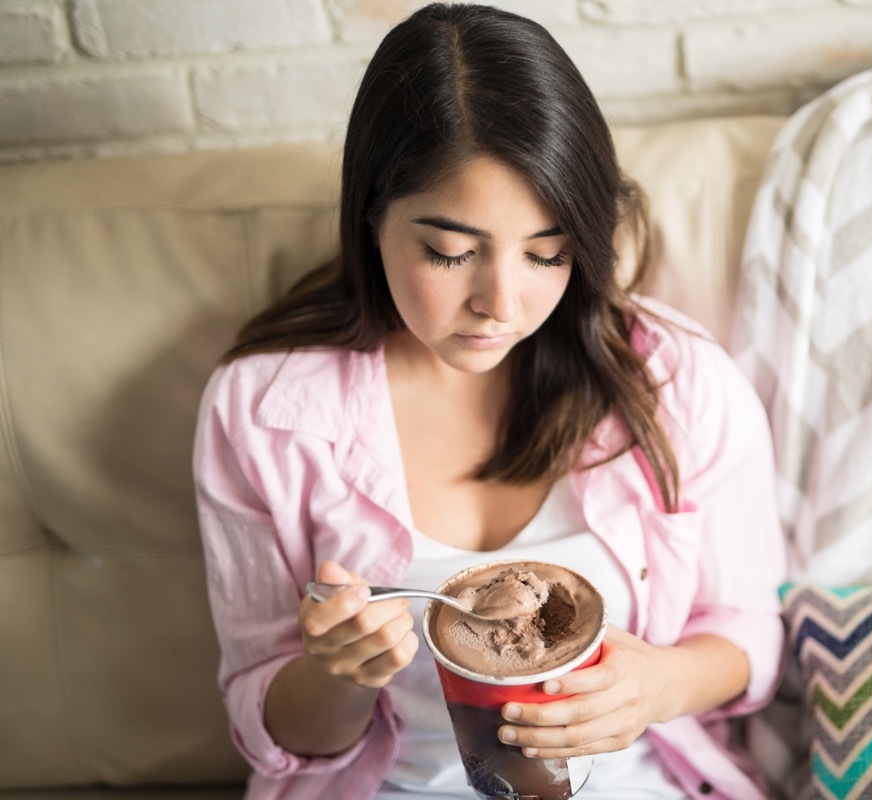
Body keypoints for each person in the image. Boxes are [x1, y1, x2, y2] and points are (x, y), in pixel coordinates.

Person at [192, 3, 786, 798]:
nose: (501, 302)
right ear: (371, 216)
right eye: (451, 252)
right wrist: (337, 675)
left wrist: (661, 686)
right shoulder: (264, 412)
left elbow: (747, 630)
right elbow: (279, 732)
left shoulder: (675, 382)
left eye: (547, 253)